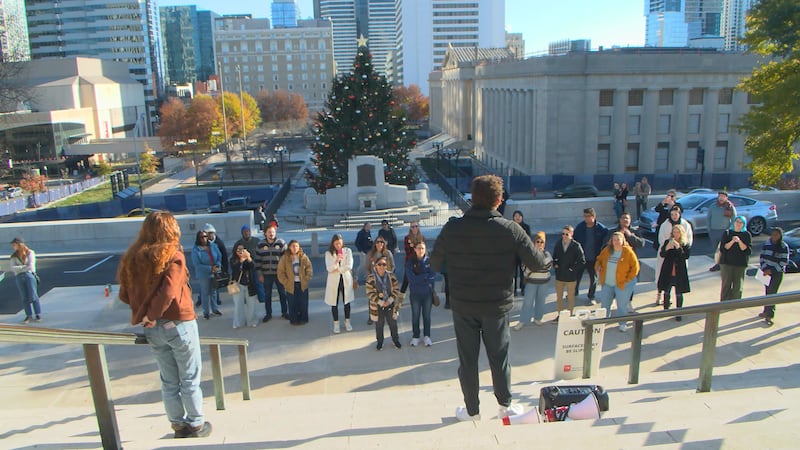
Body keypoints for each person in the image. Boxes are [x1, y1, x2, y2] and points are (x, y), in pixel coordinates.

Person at [430, 174, 548, 422]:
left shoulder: (453, 227)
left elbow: (436, 262)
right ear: (498, 200)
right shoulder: (510, 230)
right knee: (499, 356)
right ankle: (505, 405)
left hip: (463, 304)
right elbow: (537, 264)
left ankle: (472, 411)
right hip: (496, 305)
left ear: (473, 198)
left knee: (468, 360)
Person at [117, 212, 212, 439]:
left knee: (169, 380)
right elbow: (168, 292)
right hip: (178, 323)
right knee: (189, 377)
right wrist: (153, 313)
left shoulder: (132, 258)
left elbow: (124, 293)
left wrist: (144, 314)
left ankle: (178, 426)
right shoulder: (174, 256)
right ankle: (196, 424)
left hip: (152, 329)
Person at [595, 232, 640, 332]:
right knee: (605, 303)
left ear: (622, 240)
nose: (616, 242)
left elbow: (635, 268)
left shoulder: (628, 252)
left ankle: (622, 323)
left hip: (622, 283)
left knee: (622, 305)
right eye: (614, 240)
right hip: (607, 282)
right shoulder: (607, 250)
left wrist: (627, 280)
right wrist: (597, 266)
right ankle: (604, 321)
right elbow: (599, 259)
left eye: (618, 240)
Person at [654, 206, 693, 305]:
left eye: (676, 214)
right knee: (663, 280)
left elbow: (688, 241)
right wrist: (668, 246)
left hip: (679, 262)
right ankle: (659, 295)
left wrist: (679, 247)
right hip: (668, 259)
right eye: (672, 214)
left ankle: (678, 309)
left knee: (679, 288)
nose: (674, 216)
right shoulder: (665, 225)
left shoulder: (685, 224)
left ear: (679, 214)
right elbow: (661, 240)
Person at [514, 231, 553, 329]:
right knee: (528, 302)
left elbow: (547, 266)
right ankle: (523, 320)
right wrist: (536, 266)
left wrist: (534, 266)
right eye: (537, 242)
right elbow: (524, 267)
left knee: (541, 301)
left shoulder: (547, 254)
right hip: (531, 281)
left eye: (541, 242)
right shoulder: (529, 253)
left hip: (544, 282)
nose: (539, 244)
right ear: (534, 242)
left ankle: (538, 318)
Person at [366, 255, 402, 350]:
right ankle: (380, 342)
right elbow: (370, 293)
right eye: (380, 264)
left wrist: (390, 300)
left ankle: (395, 340)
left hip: (390, 304)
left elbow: (396, 289)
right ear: (375, 266)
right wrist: (380, 302)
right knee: (379, 324)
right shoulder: (370, 278)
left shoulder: (391, 276)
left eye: (384, 264)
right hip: (378, 305)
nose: (382, 266)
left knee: (393, 323)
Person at [573, 207, 608, 304]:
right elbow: (574, 242)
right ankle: (574, 292)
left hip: (594, 258)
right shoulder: (580, 228)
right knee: (577, 276)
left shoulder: (601, 229)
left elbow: (606, 243)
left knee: (593, 278)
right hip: (581, 258)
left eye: (589, 216)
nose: (587, 218)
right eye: (585, 216)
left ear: (594, 216)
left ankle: (591, 296)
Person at [658, 224, 691, 321]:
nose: (675, 234)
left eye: (677, 232)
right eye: (674, 232)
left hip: (679, 271)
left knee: (679, 293)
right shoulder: (668, 242)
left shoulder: (685, 243)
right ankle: (666, 309)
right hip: (668, 270)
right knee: (667, 291)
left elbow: (685, 256)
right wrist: (667, 248)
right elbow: (662, 254)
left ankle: (678, 312)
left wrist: (678, 247)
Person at [406, 241, 436, 347]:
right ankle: (416, 336)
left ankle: (427, 336)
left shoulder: (429, 261)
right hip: (415, 294)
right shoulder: (410, 262)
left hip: (427, 294)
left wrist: (421, 278)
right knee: (415, 316)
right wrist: (424, 276)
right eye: (418, 248)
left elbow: (432, 277)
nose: (421, 250)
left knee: (427, 316)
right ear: (415, 249)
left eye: (422, 248)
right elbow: (411, 279)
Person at [254, 225, 287, 322]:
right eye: (269, 232)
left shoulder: (281, 243)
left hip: (279, 274)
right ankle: (268, 314)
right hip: (266, 274)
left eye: (273, 232)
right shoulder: (260, 244)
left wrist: (285, 273)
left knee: (282, 293)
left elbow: (286, 260)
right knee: (267, 294)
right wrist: (259, 274)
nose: (271, 234)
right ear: (265, 233)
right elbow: (257, 261)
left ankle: (284, 312)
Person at [552, 225, 585, 320]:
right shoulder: (558, 244)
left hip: (571, 277)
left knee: (570, 297)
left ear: (571, 234)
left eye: (567, 234)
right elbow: (554, 257)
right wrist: (555, 265)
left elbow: (582, 261)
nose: (564, 236)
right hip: (560, 275)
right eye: (563, 234)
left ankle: (569, 314)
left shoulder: (576, 246)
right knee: (559, 298)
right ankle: (560, 315)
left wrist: (572, 269)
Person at [324, 234, 355, 333]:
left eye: (340, 244)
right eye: (336, 244)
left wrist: (338, 269)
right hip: (334, 281)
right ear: (333, 244)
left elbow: (349, 265)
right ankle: (336, 323)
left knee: (347, 301)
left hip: (345, 279)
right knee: (334, 302)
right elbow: (329, 268)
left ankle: (347, 321)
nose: (338, 246)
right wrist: (336, 261)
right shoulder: (329, 253)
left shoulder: (347, 251)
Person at [759, 227, 790, 326]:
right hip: (765, 272)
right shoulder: (767, 243)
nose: (774, 237)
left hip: (776, 273)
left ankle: (770, 315)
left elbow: (783, 262)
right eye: (773, 234)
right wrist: (764, 269)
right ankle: (765, 311)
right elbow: (762, 257)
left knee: (772, 293)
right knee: (767, 292)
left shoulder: (783, 246)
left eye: (776, 235)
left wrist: (771, 270)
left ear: (780, 236)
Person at [277, 240, 313, 325]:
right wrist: (286, 282)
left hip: (302, 284)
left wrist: (307, 278)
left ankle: (303, 318)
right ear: (289, 247)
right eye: (293, 246)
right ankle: (294, 319)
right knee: (292, 303)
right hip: (291, 284)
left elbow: (309, 268)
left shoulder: (303, 257)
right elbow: (280, 272)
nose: (295, 248)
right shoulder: (285, 258)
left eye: (296, 246)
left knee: (303, 302)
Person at [718, 215, 752, 301]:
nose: (738, 224)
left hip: (740, 263)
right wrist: (732, 241)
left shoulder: (746, 235)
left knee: (738, 284)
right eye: (737, 222)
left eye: (741, 223)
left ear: (744, 224)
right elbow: (723, 248)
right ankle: (724, 301)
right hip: (727, 263)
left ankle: (735, 302)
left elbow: (747, 250)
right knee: (726, 283)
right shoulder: (727, 233)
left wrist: (739, 241)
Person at [190, 230, 222, 320]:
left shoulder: (213, 246)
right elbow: (197, 264)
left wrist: (217, 266)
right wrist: (210, 268)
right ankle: (206, 312)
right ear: (198, 238)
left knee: (214, 291)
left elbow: (219, 256)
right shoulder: (196, 250)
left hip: (214, 272)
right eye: (201, 237)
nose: (204, 238)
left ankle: (215, 309)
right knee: (205, 293)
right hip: (203, 274)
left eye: (205, 236)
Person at [9, 237, 42, 323]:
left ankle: (38, 314)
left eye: (14, 245)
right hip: (19, 277)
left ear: (20, 244)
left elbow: (31, 266)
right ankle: (28, 315)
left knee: (33, 295)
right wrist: (24, 267)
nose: (13, 247)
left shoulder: (30, 252)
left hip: (29, 275)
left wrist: (19, 268)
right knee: (24, 297)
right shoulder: (14, 256)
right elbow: (12, 268)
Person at [230, 243, 259, 328]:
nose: (240, 251)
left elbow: (253, 266)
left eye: (242, 249)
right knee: (238, 304)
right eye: (238, 249)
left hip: (249, 283)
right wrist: (241, 260)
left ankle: (252, 321)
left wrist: (249, 258)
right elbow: (235, 269)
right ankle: (238, 322)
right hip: (238, 284)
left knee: (251, 304)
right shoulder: (233, 259)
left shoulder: (248, 258)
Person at [707, 191, 737, 272]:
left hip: (724, 231)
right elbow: (708, 218)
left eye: (723, 197)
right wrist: (709, 229)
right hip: (714, 231)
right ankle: (717, 264)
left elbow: (734, 219)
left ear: (726, 198)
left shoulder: (730, 207)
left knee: (724, 249)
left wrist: (730, 229)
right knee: (716, 250)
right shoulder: (713, 206)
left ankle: (725, 265)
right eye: (720, 196)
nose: (721, 198)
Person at [204, 223, 227, 307]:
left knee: (216, 284)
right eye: (208, 233)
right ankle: (202, 300)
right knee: (205, 286)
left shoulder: (219, 242)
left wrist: (223, 268)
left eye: (211, 233)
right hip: (207, 268)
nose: (210, 235)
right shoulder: (203, 242)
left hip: (217, 267)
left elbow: (223, 255)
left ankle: (216, 300)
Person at [400, 222, 425, 294]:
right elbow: (407, 251)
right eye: (412, 227)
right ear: (410, 228)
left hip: (420, 262)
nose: (414, 228)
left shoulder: (422, 237)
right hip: (410, 262)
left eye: (416, 226)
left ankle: (419, 296)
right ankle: (400, 300)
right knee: (406, 281)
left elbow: (424, 250)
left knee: (420, 280)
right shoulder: (407, 238)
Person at [512, 210, 532, 295]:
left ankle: (523, 288)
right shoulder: (511, 226)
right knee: (514, 273)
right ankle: (514, 289)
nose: (517, 218)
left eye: (519, 216)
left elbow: (528, 240)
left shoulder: (526, 227)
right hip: (513, 253)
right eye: (516, 216)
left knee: (523, 272)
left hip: (523, 253)